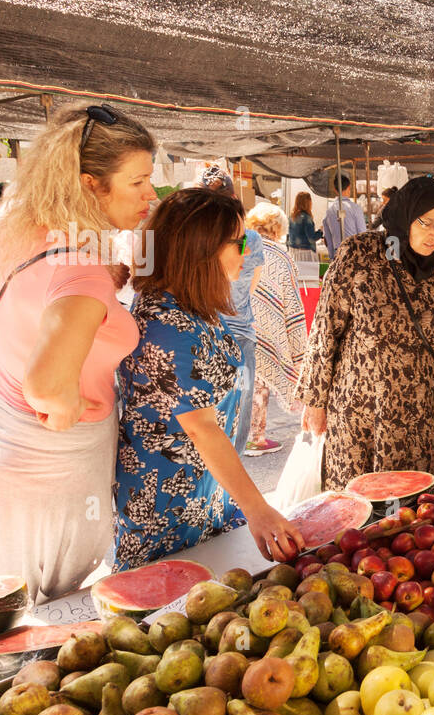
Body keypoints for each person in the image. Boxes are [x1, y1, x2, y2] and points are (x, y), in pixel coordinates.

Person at [0, 103, 154, 602]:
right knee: (42, 631)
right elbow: (46, 388)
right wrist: (66, 408)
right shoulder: (83, 270)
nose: (151, 196)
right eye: (138, 182)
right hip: (50, 471)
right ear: (90, 184)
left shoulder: (15, 229)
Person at [114, 189, 303, 567]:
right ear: (202, 249)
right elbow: (201, 428)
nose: (247, 252)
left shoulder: (193, 305)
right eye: (239, 242)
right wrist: (258, 511)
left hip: (205, 494)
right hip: (168, 507)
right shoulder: (166, 325)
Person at [297, 177, 434, 488]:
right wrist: (315, 399)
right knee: (354, 509)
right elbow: (326, 328)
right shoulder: (360, 253)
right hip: (360, 409)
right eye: (426, 223)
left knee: (414, 512)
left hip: (422, 415)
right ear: (404, 215)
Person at [203, 168, 264, 453]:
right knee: (235, 415)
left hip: (230, 333)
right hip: (237, 333)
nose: (246, 252)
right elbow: (252, 282)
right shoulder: (248, 236)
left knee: (228, 418)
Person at [243, 201, 308, 457]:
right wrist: (298, 348)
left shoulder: (240, 246)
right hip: (268, 329)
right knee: (259, 386)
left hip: (238, 324)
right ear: (278, 227)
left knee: (242, 383)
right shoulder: (281, 255)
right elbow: (291, 301)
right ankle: (256, 439)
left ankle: (235, 436)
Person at [322, 175, 366, 257]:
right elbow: (363, 235)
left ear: (335, 189)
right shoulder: (355, 208)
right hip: (354, 255)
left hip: (337, 255)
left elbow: (328, 239)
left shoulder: (328, 212)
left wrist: (332, 257)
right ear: (349, 187)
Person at [286, 191, 321, 262]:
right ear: (308, 203)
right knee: (308, 273)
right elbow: (312, 238)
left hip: (293, 252)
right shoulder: (306, 218)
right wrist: (321, 231)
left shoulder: (292, 217)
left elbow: (289, 235)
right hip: (305, 254)